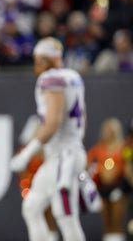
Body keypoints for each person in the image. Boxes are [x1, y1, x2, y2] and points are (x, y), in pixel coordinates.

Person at [9, 37, 89, 240]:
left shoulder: (51, 79)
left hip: (64, 157)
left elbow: (52, 122)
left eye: (40, 60)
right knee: (32, 206)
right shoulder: (73, 76)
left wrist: (27, 153)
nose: (37, 65)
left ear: (49, 60)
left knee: (66, 217)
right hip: (65, 153)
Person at [87, 118, 130, 241]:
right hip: (102, 188)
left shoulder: (124, 148)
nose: (108, 132)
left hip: (119, 188)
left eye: (110, 130)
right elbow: (88, 164)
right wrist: (98, 171)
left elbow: (128, 165)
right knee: (107, 221)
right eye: (106, 130)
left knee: (117, 220)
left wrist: (118, 171)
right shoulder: (98, 149)